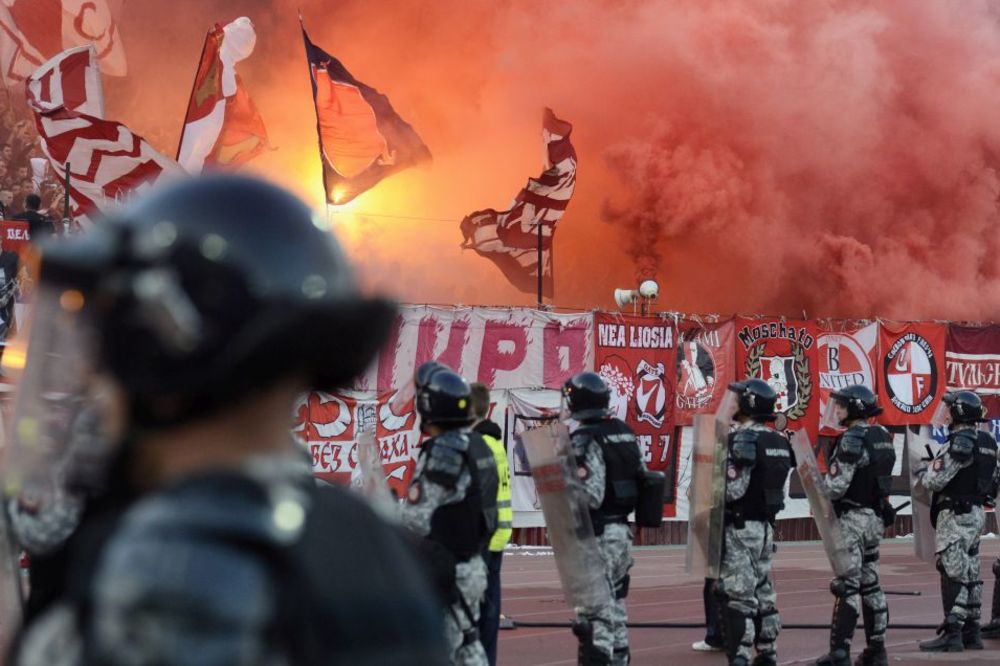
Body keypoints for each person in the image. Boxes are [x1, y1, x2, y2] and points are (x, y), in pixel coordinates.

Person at [7, 174, 449, 665]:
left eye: (107, 358)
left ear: (162, 367)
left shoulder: (175, 563)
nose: (100, 386)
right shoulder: (366, 539)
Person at [400, 363, 499, 666]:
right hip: (472, 563)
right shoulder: (480, 445)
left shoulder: (443, 452)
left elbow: (416, 519)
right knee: (468, 647)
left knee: (441, 650)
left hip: (448, 569)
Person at [563, 371, 644, 666]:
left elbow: (590, 495)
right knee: (615, 605)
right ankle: (620, 659)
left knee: (594, 613)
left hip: (597, 535)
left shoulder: (585, 439)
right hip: (622, 531)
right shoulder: (624, 432)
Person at [812, 386, 895, 666]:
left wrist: (817, 486)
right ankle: (877, 650)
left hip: (852, 520)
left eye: (842, 405)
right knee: (871, 584)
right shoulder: (882, 436)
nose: (837, 410)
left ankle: (839, 653)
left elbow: (836, 487)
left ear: (856, 408)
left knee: (847, 585)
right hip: (874, 519)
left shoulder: (851, 439)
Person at [719, 379, 793, 666]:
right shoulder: (778, 440)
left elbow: (734, 490)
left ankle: (740, 656)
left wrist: (716, 483)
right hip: (766, 528)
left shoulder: (743, 439)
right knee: (764, 592)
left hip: (741, 527)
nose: (732, 405)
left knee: (739, 596)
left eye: (737, 400)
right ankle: (768, 652)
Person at [918, 391, 998, 652]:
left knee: (953, 572)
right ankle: (971, 631)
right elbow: (993, 484)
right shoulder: (987, 442)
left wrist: (927, 469)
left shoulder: (960, 443)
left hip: (955, 514)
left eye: (950, 408)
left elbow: (934, 480)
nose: (946, 413)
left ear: (960, 413)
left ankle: (952, 633)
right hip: (976, 514)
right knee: (971, 572)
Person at [470, 382, 511, 666]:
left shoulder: (479, 445)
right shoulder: (495, 442)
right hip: (499, 532)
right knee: (490, 607)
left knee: (476, 611)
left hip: (483, 535)